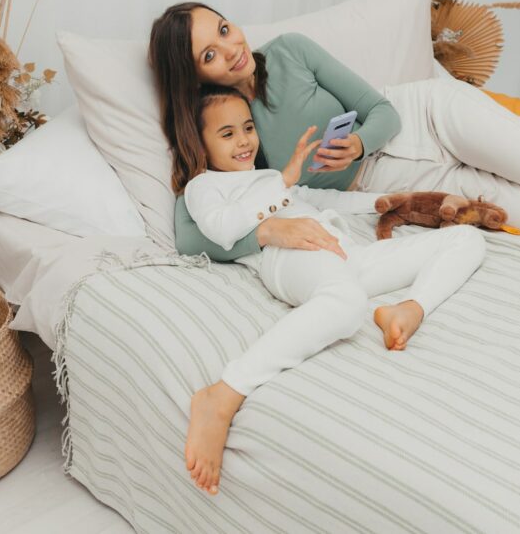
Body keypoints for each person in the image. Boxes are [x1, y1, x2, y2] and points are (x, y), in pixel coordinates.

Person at [148, 2, 520, 260]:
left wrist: (362, 140)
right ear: (192, 75)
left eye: (225, 29)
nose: (232, 48)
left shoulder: (290, 51)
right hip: (395, 178)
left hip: (422, 116)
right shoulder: (220, 130)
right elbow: (191, 236)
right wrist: (268, 233)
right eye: (210, 53)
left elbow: (379, 108)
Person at [181, 84, 487, 496]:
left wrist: (401, 200)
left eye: (248, 127)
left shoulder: (270, 178)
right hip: (290, 257)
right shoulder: (205, 186)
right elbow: (221, 229)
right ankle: (223, 392)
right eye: (227, 133)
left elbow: (325, 199)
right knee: (346, 305)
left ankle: (410, 308)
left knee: (466, 240)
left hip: (347, 256)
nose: (243, 141)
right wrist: (283, 182)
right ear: (200, 144)